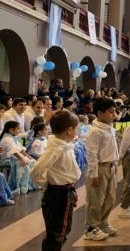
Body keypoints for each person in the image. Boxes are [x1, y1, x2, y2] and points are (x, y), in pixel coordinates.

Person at [30, 110, 81, 251]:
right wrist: (47, 184)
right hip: (59, 194)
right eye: (77, 128)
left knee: (61, 230)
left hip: (64, 191)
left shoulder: (63, 144)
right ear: (70, 130)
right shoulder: (56, 149)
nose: (78, 131)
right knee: (58, 232)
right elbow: (36, 171)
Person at [84, 98, 119, 241]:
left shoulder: (110, 127)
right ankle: (91, 228)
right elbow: (91, 154)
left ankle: (102, 223)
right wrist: (93, 174)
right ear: (99, 113)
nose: (114, 115)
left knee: (109, 198)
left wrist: (115, 165)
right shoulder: (95, 131)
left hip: (111, 166)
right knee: (95, 199)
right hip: (99, 168)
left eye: (115, 111)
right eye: (111, 112)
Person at [0, 121, 38, 195]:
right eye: (18, 129)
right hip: (6, 159)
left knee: (32, 161)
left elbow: (20, 149)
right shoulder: (7, 139)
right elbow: (14, 151)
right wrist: (22, 158)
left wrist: (27, 156)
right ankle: (21, 186)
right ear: (11, 130)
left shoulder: (13, 137)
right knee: (22, 164)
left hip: (14, 158)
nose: (20, 130)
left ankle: (30, 184)